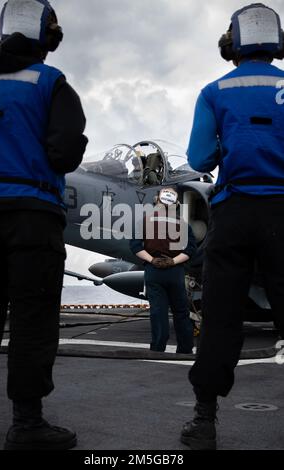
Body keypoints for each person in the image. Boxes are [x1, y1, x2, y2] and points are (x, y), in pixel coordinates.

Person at [0, 0, 88, 450]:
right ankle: (26, 424)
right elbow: (65, 153)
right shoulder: (52, 83)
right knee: (32, 321)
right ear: (51, 38)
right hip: (33, 218)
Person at [181, 3, 284, 451]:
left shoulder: (214, 90)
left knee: (221, 318)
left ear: (233, 43)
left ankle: (204, 419)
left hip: (234, 212)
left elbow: (200, 159)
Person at [130, 188, 197, 353]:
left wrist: (153, 260)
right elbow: (190, 250)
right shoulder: (183, 225)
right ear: (176, 204)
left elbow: (135, 246)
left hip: (154, 271)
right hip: (175, 272)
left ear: (156, 200)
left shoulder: (144, 222)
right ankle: (185, 349)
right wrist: (172, 261)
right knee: (181, 312)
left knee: (158, 312)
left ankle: (158, 348)